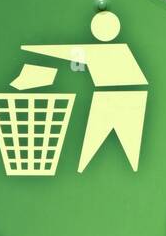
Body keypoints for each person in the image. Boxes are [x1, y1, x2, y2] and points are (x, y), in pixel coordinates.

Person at [22, 10, 148, 171]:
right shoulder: (121, 50)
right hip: (128, 96)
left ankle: (85, 169)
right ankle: (89, 169)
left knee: (100, 143)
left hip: (114, 98)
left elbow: (71, 52)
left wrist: (31, 48)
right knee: (117, 145)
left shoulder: (106, 51)